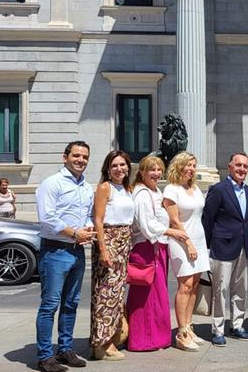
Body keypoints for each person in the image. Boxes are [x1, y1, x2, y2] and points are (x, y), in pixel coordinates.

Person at [34, 141, 95, 372]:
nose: (81, 160)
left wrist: (87, 229)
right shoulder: (52, 183)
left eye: (85, 157)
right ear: (65, 157)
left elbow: (88, 215)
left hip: (77, 251)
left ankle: (65, 349)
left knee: (71, 303)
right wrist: (74, 233)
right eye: (76, 155)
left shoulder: (86, 187)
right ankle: (44, 356)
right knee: (50, 305)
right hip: (55, 251)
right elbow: (47, 217)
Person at [128, 155, 187, 352]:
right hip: (146, 249)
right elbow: (147, 225)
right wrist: (173, 232)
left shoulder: (156, 190)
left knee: (157, 295)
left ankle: (157, 338)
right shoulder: (142, 194)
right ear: (142, 172)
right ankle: (143, 340)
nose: (156, 173)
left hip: (157, 248)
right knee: (146, 297)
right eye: (151, 169)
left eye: (159, 169)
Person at [201, 152, 248, 346]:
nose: (242, 169)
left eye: (245, 166)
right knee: (220, 290)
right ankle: (218, 329)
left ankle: (237, 325)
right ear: (229, 167)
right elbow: (208, 220)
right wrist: (207, 247)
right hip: (222, 247)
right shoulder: (218, 189)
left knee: (241, 289)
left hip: (243, 247)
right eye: (238, 165)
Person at [90, 150, 136, 361]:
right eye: (115, 165)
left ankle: (112, 337)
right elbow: (98, 220)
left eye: (123, 165)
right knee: (104, 295)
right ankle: (102, 344)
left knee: (116, 295)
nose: (119, 169)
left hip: (123, 242)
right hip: (109, 240)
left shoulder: (127, 189)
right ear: (108, 169)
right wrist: (103, 250)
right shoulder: (104, 187)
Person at [163, 152, 211, 352]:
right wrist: (188, 244)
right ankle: (181, 332)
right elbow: (174, 220)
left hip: (198, 239)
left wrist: (198, 243)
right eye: (188, 165)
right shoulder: (171, 189)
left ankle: (189, 326)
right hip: (181, 240)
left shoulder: (194, 188)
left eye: (193, 165)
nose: (191, 168)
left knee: (195, 285)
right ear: (178, 166)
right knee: (185, 285)